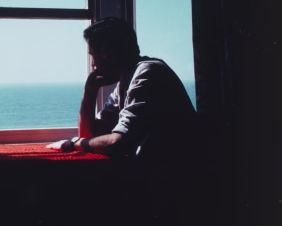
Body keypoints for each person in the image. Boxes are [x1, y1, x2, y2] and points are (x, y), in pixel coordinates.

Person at [48, 16, 196, 160]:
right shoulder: (128, 78)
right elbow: (88, 136)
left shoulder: (147, 73)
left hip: (176, 173)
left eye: (92, 55)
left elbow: (117, 143)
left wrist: (73, 144)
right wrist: (90, 90)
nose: (93, 63)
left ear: (105, 53)